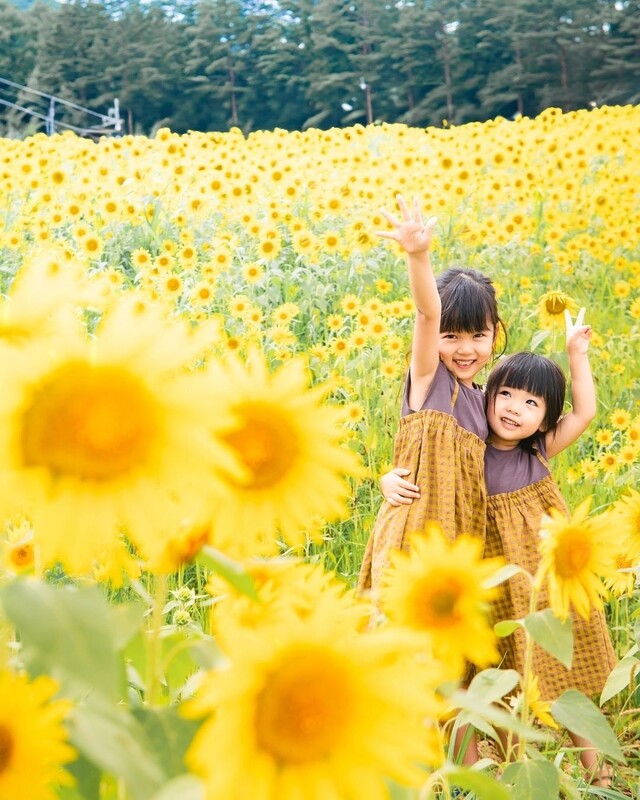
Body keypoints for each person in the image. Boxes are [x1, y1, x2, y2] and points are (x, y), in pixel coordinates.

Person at [381, 310, 617, 786]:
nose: (513, 408)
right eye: (504, 394)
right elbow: (421, 461)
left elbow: (586, 412)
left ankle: (602, 778)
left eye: (531, 403)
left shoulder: (539, 450)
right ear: (486, 396)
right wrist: (386, 478)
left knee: (559, 671)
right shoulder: (468, 444)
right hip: (488, 578)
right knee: (483, 674)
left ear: (546, 419)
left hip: (541, 582)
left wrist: (577, 354)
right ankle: (484, 779)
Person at [357, 195, 506, 598]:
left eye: (478, 336)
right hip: (411, 542)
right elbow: (428, 313)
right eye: (451, 336)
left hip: (460, 550)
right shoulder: (428, 378)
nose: (465, 349)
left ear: (495, 333)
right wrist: (418, 255)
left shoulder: (488, 404)